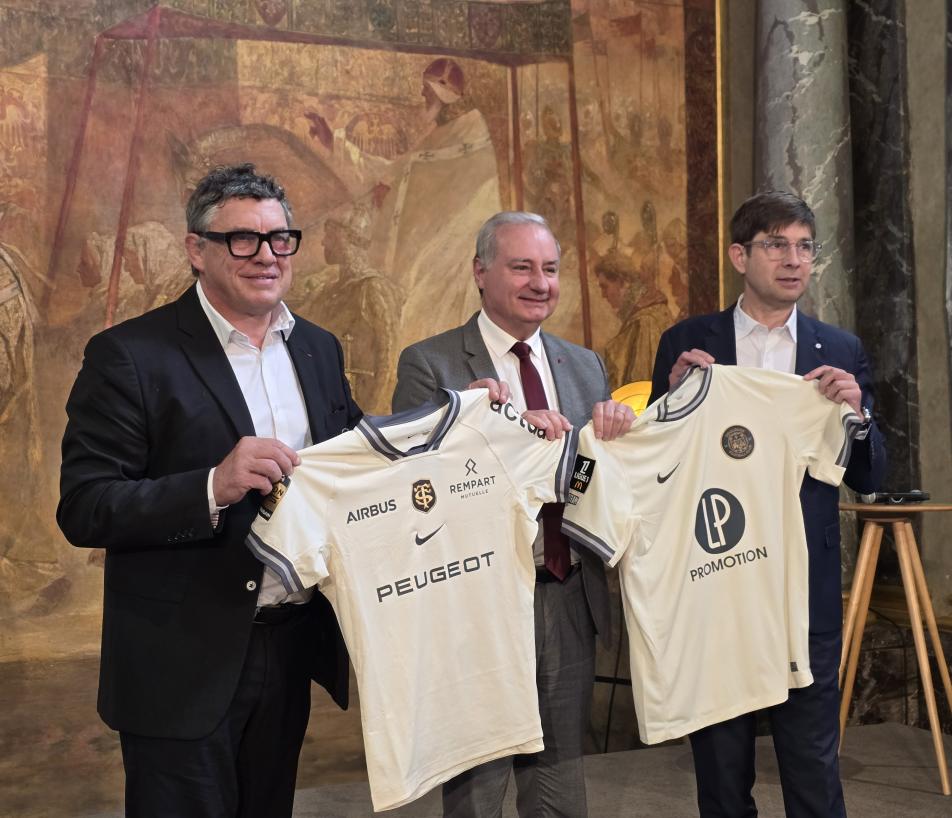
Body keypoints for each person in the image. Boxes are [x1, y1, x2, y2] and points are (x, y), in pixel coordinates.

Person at [57, 164, 361, 818]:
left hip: (291, 643)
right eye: (243, 240)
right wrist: (211, 487)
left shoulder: (318, 348)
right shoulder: (129, 354)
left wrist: (465, 420)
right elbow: (85, 506)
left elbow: (357, 456)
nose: (267, 256)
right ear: (197, 249)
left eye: (280, 239)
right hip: (178, 664)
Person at [649, 191, 886, 818]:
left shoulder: (839, 349)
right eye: (776, 245)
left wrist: (857, 415)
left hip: (805, 587)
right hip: (717, 579)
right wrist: (671, 402)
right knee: (722, 774)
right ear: (739, 256)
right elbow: (658, 471)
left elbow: (871, 474)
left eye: (805, 247)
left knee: (813, 769)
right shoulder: (687, 342)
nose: (794, 260)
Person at [392, 211, 634, 818]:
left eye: (550, 268)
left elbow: (596, 477)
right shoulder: (432, 364)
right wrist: (483, 429)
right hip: (481, 604)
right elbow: (410, 488)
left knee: (560, 781)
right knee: (479, 787)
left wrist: (621, 434)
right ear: (480, 272)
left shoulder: (585, 365)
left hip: (567, 593)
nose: (540, 283)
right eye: (521, 267)